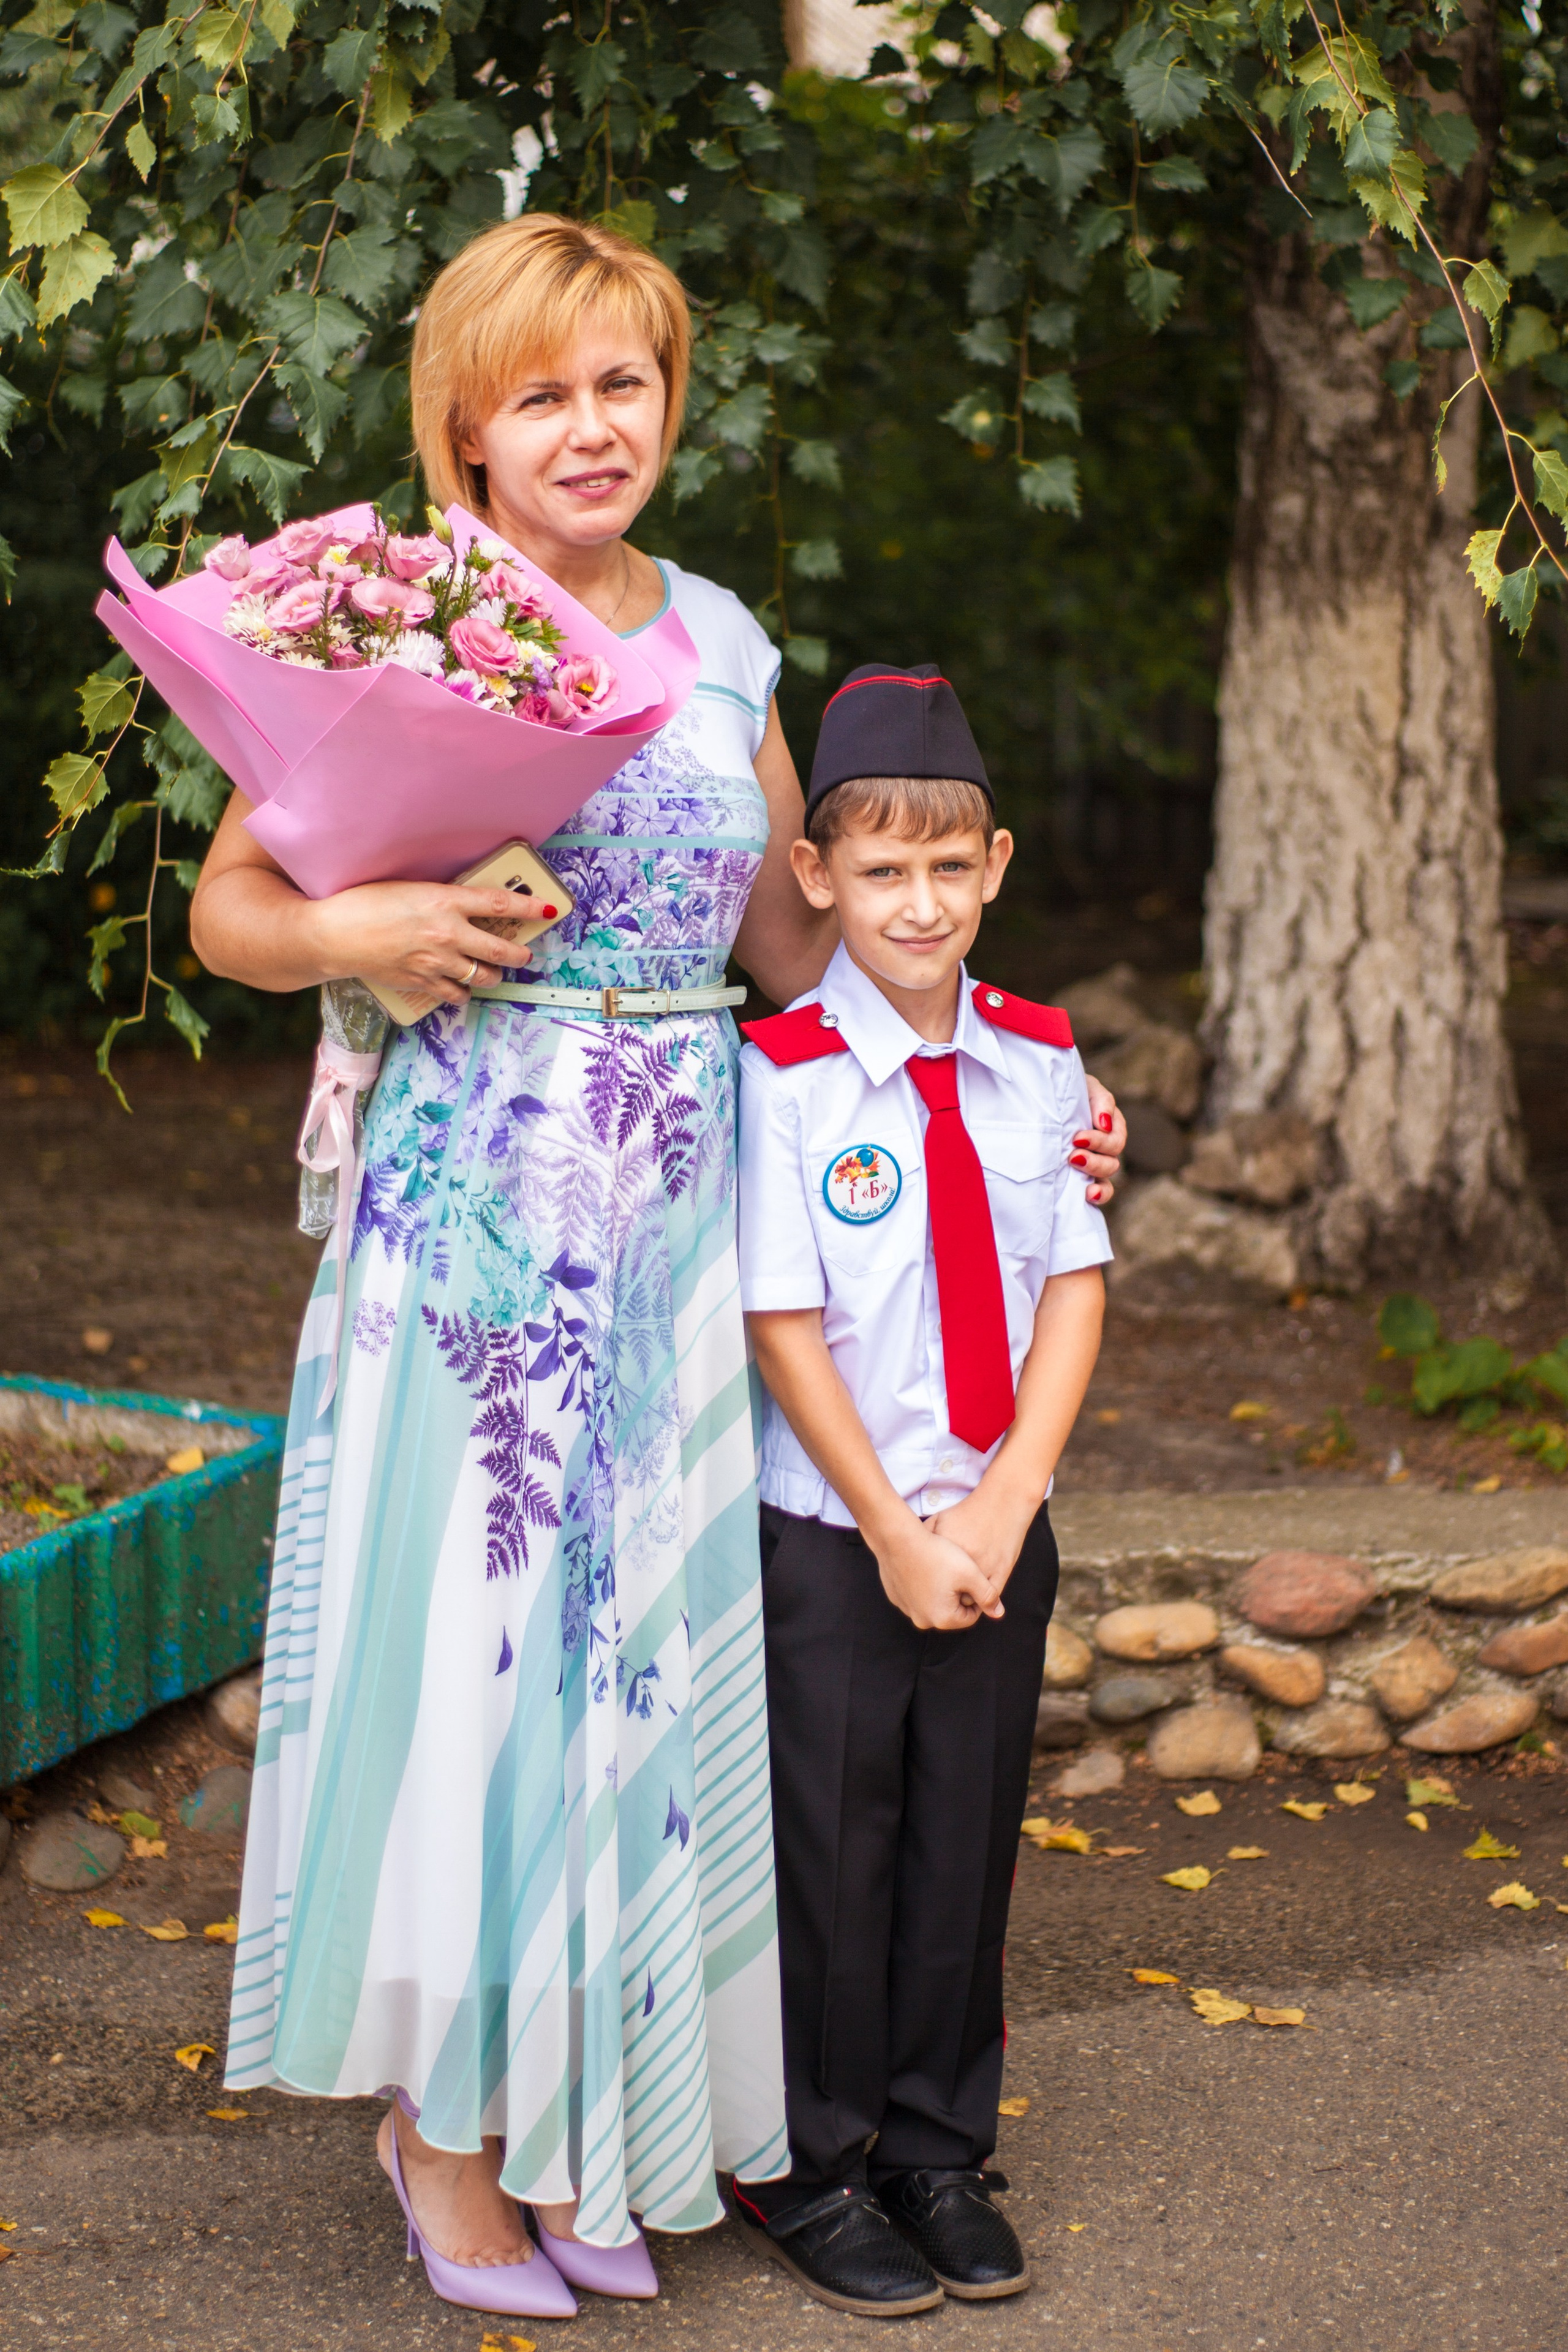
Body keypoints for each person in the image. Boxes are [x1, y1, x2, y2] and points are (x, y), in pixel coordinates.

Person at [190, 217, 1128, 2317]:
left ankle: (587, 2117)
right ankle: (442, 2142)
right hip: (482, 1227)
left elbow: (804, 950)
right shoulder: (419, 620)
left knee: (645, 1681)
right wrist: (368, 937)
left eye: (623, 384)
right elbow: (233, 912)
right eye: (541, 394)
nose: (590, 426)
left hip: (692, 1217)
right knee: (489, 1672)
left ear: (668, 402)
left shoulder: (721, 640)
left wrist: (1016, 1094)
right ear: (466, 427)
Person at [729, 665, 1110, 2317]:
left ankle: (935, 2149)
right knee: (834, 1845)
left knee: (965, 1841)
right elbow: (780, 1322)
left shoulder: (1040, 1061)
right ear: (815, 876)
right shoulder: (786, 1068)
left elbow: (1076, 1288)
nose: (919, 901)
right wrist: (893, 1529)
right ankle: (812, 2165)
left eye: (950, 868)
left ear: (998, 866)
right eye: (880, 870)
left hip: (996, 1524)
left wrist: (1010, 1503)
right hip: (838, 1538)